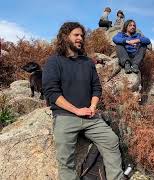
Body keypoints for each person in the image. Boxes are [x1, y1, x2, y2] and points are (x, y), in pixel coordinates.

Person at [42, 22, 124, 180]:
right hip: (65, 116)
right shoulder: (54, 61)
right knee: (65, 159)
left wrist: (93, 106)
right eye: (76, 35)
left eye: (82, 36)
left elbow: (96, 88)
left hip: (89, 117)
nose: (80, 38)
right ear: (65, 37)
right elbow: (51, 92)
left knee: (111, 140)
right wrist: (76, 110)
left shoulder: (87, 62)